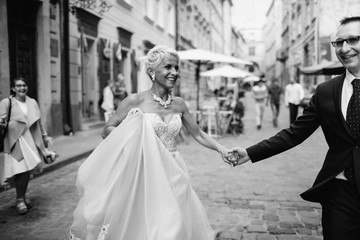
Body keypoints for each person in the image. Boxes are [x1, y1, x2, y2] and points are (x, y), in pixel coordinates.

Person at [69, 45, 235, 239]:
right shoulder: (135, 101)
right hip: (146, 170)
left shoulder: (179, 104)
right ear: (151, 71)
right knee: (149, 220)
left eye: (176, 68)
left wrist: (221, 149)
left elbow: (198, 134)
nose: (174, 72)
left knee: (174, 218)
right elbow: (107, 129)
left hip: (174, 169)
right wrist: (134, 135)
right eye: (168, 67)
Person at [231, 16, 360, 240]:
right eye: (338, 43)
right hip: (341, 189)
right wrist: (250, 153)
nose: (344, 48)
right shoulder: (325, 91)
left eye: (352, 40)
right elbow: (294, 134)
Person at [0, 77, 57, 215]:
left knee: (26, 171)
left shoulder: (32, 102)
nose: (22, 88)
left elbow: (39, 122)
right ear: (13, 88)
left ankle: (22, 196)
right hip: (15, 140)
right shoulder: (6, 102)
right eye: (18, 86)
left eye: (24, 85)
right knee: (20, 170)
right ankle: (20, 199)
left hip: (30, 139)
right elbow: (1, 120)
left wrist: (44, 138)